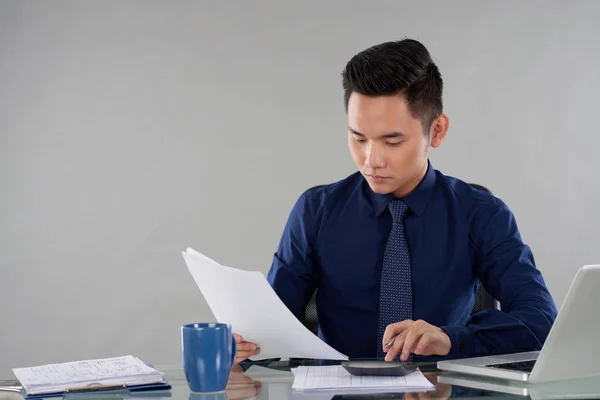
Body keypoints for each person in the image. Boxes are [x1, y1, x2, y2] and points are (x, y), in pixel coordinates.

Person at [233, 39, 558, 365]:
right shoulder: (315, 212)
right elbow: (269, 331)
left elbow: (542, 322)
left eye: (392, 141)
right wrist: (241, 347)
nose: (371, 160)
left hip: (440, 392)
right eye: (358, 138)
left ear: (438, 131)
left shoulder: (482, 215)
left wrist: (449, 340)